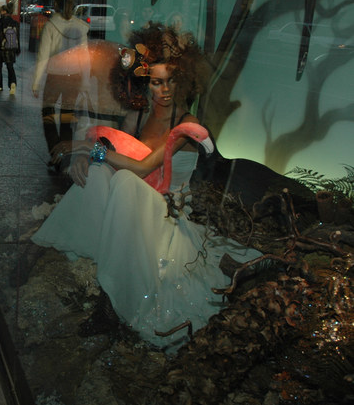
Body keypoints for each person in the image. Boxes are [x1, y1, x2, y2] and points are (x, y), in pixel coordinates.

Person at [32, 23, 261, 349]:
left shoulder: (187, 126)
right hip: (135, 200)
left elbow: (141, 167)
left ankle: (112, 301)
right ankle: (84, 247)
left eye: (171, 82)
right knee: (101, 175)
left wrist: (90, 151)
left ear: (182, 83)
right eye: (156, 82)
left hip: (167, 211)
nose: (164, 90)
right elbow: (115, 152)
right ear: (146, 83)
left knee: (124, 180)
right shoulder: (136, 119)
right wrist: (89, 159)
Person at [31, 0, 90, 171]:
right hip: (75, 77)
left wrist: (36, 82)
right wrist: (85, 81)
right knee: (67, 118)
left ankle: (55, 153)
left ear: (55, 5)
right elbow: (85, 56)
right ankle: (64, 154)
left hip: (55, 76)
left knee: (48, 114)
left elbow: (43, 56)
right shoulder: (80, 26)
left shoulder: (51, 26)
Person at [0, 3, 20, 95]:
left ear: (4, 12)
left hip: (0, 48)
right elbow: (17, 37)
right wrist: (18, 49)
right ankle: (12, 83)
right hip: (10, 48)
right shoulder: (15, 23)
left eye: (0, 11)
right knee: (10, 67)